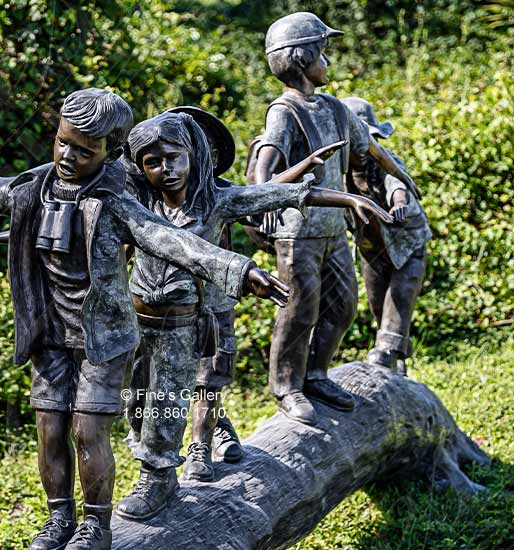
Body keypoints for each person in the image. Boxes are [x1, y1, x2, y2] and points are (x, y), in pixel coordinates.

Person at [0, 88, 286, 550]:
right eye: (63, 143)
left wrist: (240, 270)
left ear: (111, 153)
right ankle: (59, 517)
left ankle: (96, 525)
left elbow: (168, 240)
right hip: (50, 333)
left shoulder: (118, 200)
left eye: (84, 151)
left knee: (87, 431)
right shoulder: (33, 188)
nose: (67, 156)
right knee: (50, 430)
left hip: (102, 339)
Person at [116, 110, 390, 520]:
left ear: (195, 155)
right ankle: (207, 434)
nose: (166, 169)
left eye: (174, 157)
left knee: (199, 385)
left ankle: (177, 462)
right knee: (138, 402)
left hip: (200, 315)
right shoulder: (138, 206)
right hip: (143, 324)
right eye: (152, 162)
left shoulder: (216, 200)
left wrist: (349, 196)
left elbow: (272, 194)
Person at [252, 12, 421, 426]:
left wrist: (403, 178)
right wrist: (264, 201)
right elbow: (264, 168)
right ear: (300, 59)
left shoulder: (335, 108)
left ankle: (317, 373)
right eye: (322, 53)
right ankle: (287, 386)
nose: (328, 62)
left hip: (333, 231)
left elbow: (374, 151)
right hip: (299, 234)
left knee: (343, 308)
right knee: (298, 310)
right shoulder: (284, 111)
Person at [341, 96, 432, 374]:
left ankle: (388, 352)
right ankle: (397, 358)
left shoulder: (383, 161)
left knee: (400, 296)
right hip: (372, 249)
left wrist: (399, 201)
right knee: (380, 306)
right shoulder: (340, 171)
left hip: (407, 244)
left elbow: (396, 182)